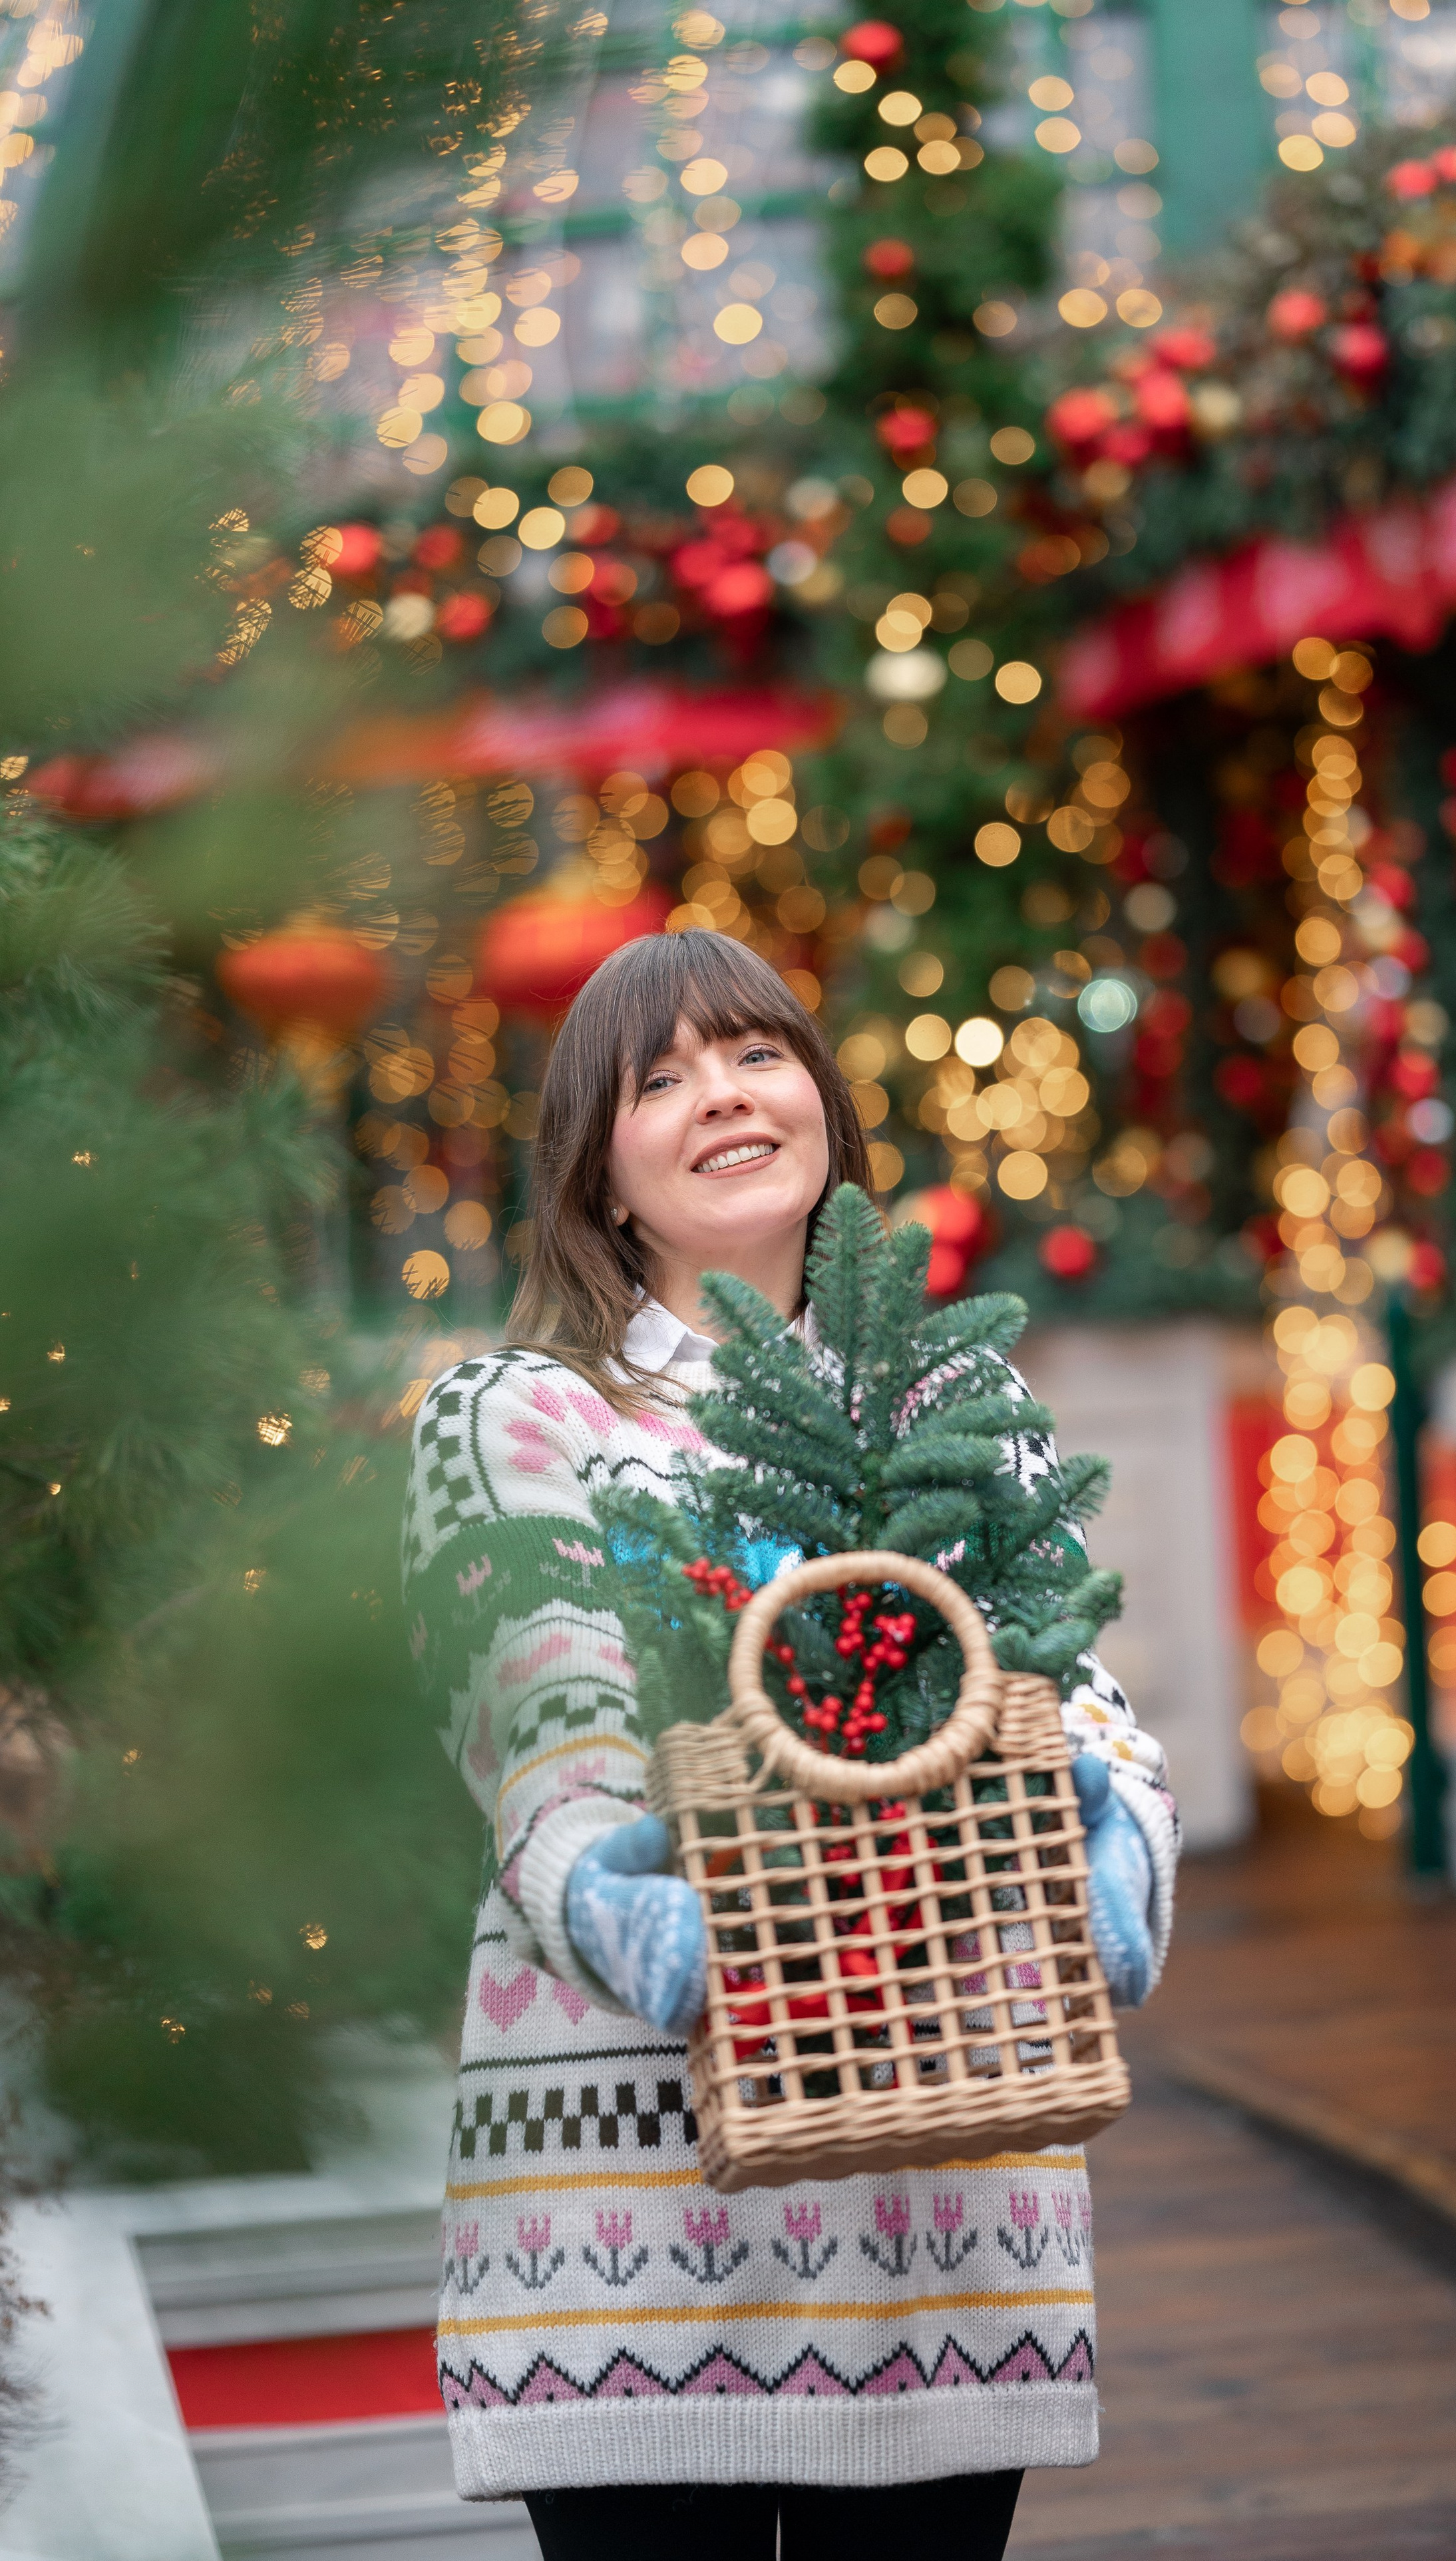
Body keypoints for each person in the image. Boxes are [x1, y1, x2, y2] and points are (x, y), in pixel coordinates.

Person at [403, 930, 1179, 2561]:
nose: (723, 1096)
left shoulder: (957, 1395)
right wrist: (670, 1929)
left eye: (755, 1053)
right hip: (633, 2229)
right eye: (659, 1078)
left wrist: (1117, 1855)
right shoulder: (524, 1411)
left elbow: (1069, 1677)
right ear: (599, 1178)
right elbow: (540, 1724)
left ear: (820, 1100)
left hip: (952, 2214)